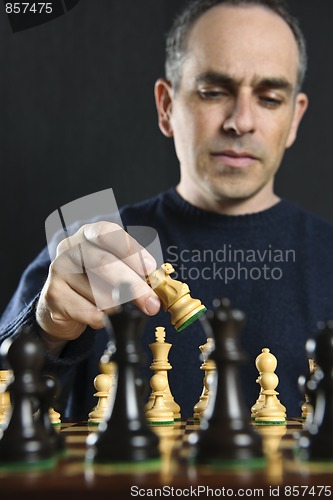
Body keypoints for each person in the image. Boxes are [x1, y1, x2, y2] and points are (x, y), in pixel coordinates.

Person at [1, 0, 333, 420]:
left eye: (269, 98)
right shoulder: (86, 247)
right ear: (166, 106)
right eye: (213, 92)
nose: (241, 121)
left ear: (295, 118)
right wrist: (45, 332)